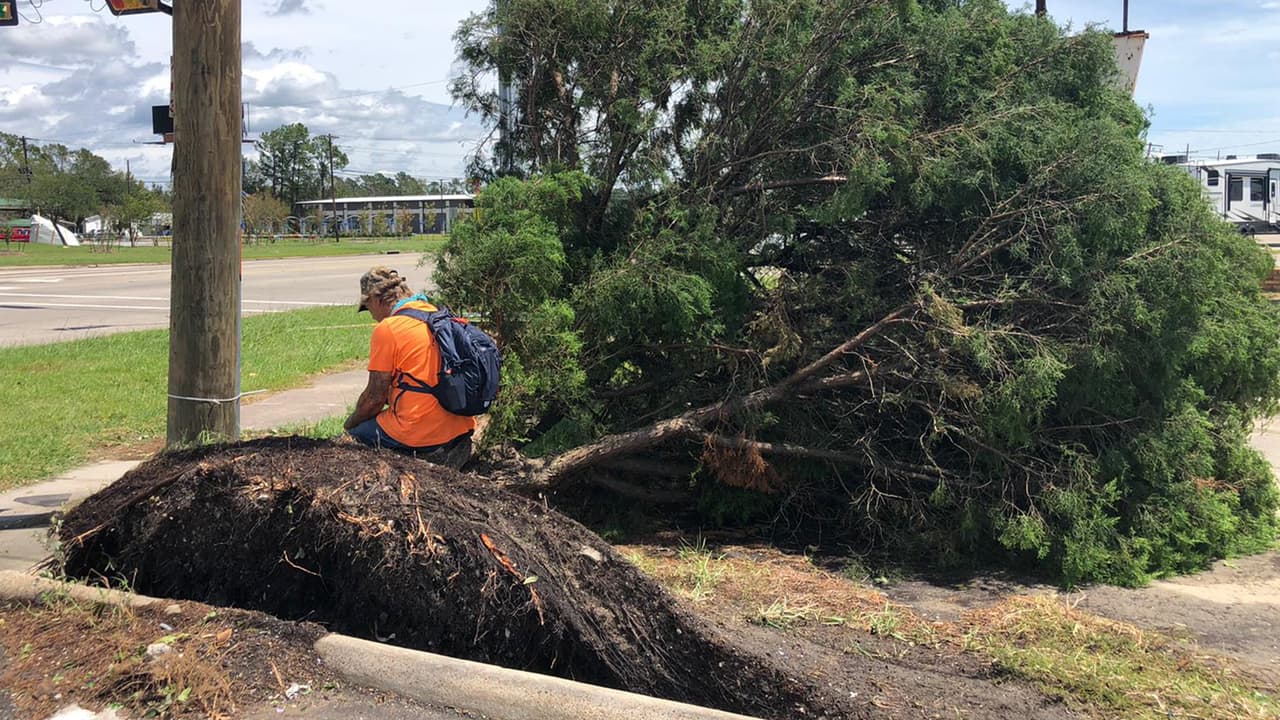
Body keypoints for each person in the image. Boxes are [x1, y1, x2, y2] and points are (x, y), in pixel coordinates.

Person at [343, 266, 476, 468]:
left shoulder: (389, 328)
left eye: (368, 308)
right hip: (459, 431)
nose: (372, 316)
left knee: (349, 442)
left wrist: (349, 425)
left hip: (420, 436)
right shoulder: (438, 315)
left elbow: (373, 400)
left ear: (378, 301)